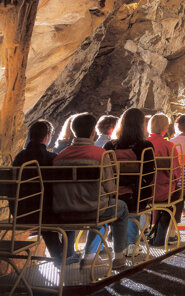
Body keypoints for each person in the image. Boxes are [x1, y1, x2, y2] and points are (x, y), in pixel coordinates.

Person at [54, 113, 131, 270]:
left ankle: (89, 257)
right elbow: (110, 189)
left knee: (100, 205)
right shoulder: (100, 155)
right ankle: (119, 256)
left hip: (64, 212)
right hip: (92, 210)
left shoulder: (59, 157)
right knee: (120, 208)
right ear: (92, 133)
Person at [13, 120, 79, 265]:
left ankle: (59, 256)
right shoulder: (51, 159)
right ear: (47, 136)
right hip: (45, 213)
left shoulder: (19, 158)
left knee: (44, 217)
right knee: (70, 215)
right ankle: (67, 255)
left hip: (21, 212)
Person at [104, 107, 155, 254]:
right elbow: (149, 175)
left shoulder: (109, 146)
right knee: (138, 194)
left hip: (112, 195)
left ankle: (116, 237)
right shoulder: (145, 147)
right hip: (136, 196)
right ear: (141, 126)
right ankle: (132, 242)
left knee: (124, 198)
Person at [147, 114, 182, 246]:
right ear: (165, 128)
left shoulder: (143, 144)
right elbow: (176, 173)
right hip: (163, 191)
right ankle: (168, 233)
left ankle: (152, 228)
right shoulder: (169, 146)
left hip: (142, 192)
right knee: (178, 194)